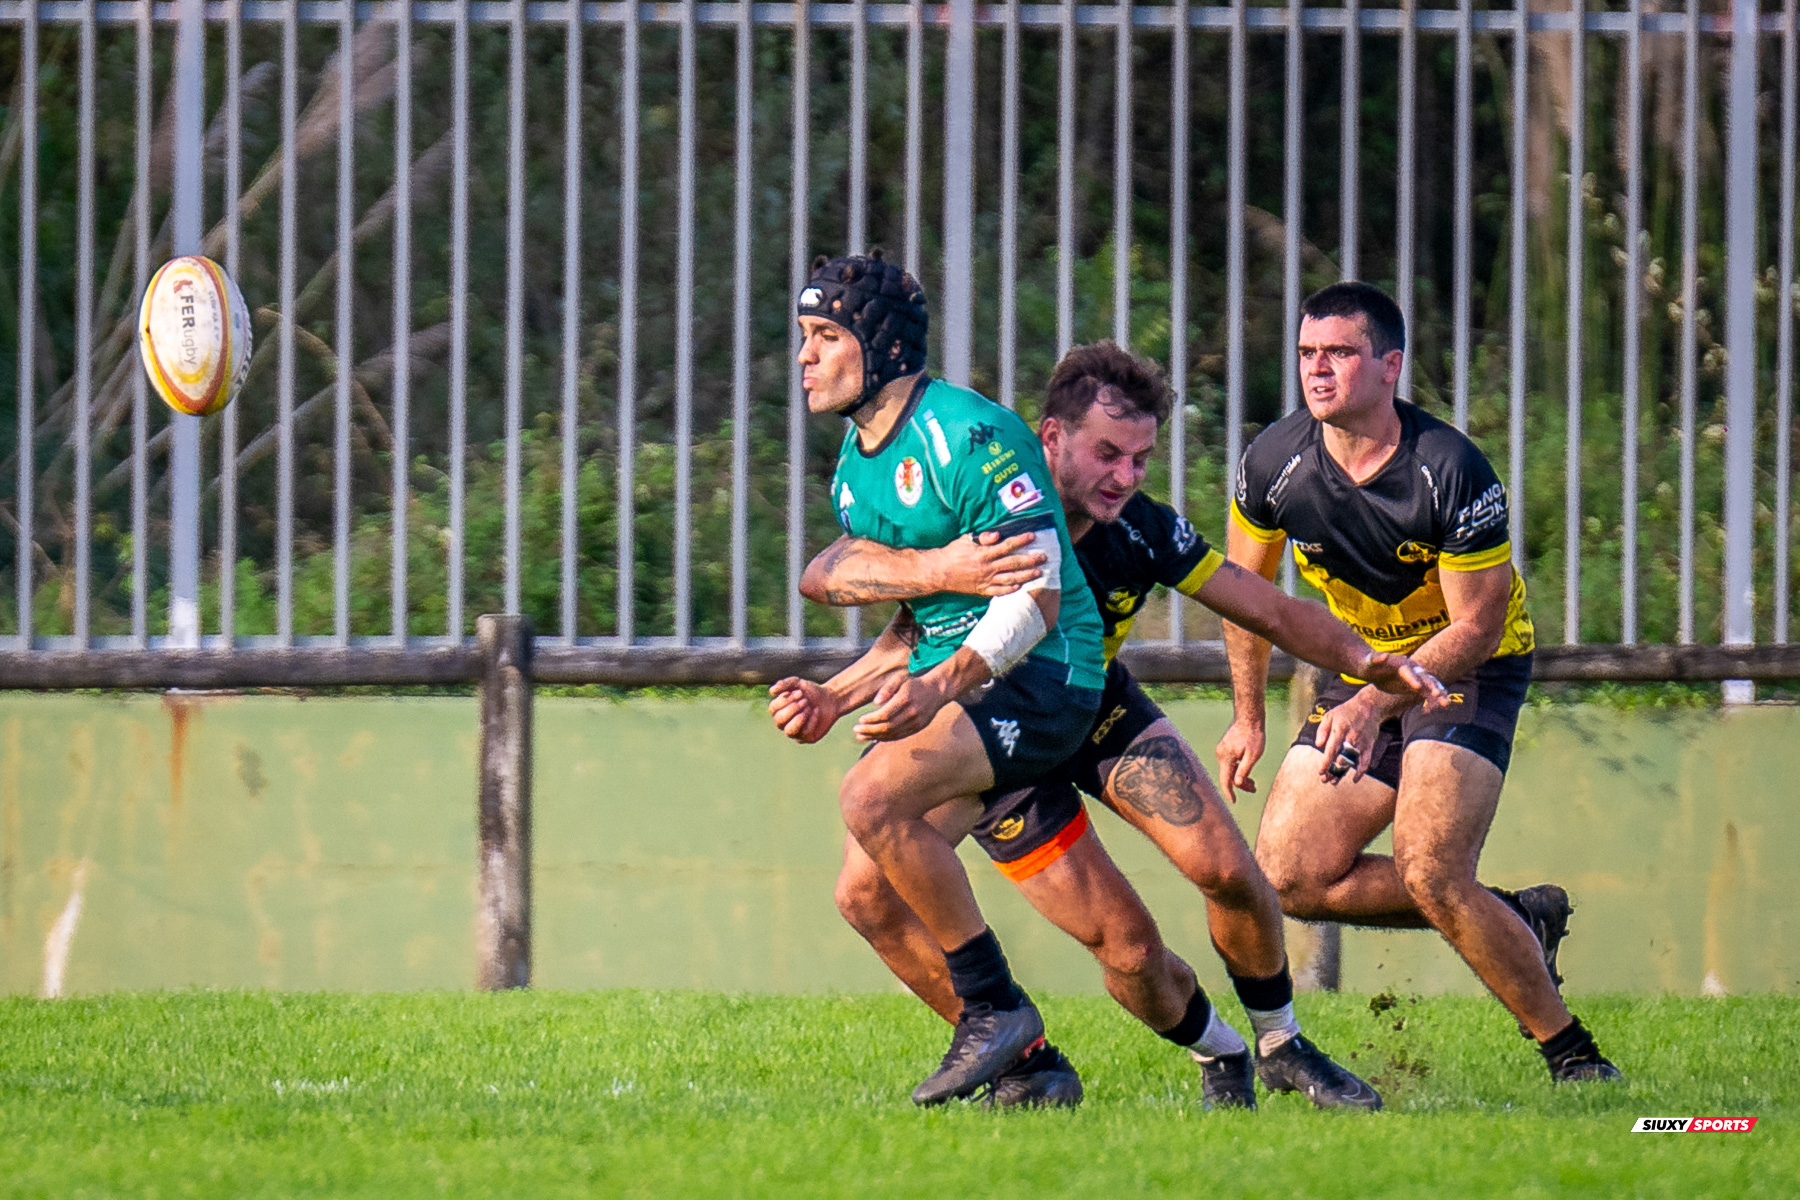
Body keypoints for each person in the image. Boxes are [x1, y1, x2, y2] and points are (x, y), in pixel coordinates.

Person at [798, 339, 1447, 1110]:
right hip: (999, 741)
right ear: (1049, 439)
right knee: (1129, 953)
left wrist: (1366, 659)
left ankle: (1282, 1043)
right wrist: (839, 693)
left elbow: (1267, 607)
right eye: (1109, 454)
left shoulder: (1142, 529)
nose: (1125, 478)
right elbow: (912, 629)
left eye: (1140, 459)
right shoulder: (983, 501)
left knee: (1230, 872)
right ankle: (1172, 1053)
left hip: (1096, 707)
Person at [1215, 281, 1621, 1083]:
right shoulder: (1273, 462)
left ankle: (1573, 1055)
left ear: (1390, 366)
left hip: (1467, 669)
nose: (1317, 370)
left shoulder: (1451, 469)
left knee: (1432, 870)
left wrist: (1375, 702)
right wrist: (1247, 716)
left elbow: (1478, 623)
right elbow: (1243, 593)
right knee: (1291, 873)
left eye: (1340, 353)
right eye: (1306, 354)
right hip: (1365, 670)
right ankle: (1512, 917)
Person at [766, 251, 1109, 1106]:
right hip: (967, 686)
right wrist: (837, 692)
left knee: (869, 798)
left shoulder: (972, 435)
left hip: (1045, 678)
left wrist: (942, 684)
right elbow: (916, 617)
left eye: (824, 337)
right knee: (863, 894)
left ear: (878, 347)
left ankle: (995, 1008)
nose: (804, 357)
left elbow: (1034, 596)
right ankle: (1032, 1073)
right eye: (802, 338)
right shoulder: (856, 464)